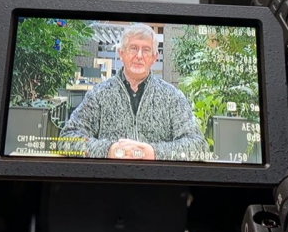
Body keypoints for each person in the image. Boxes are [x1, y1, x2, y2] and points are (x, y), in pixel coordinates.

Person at [60, 23, 208, 161]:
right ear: (121, 53)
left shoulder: (172, 96)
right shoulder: (99, 94)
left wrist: (153, 152)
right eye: (133, 48)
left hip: (158, 184)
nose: (139, 56)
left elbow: (198, 146)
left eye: (146, 50)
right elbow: (67, 139)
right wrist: (108, 150)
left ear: (154, 57)